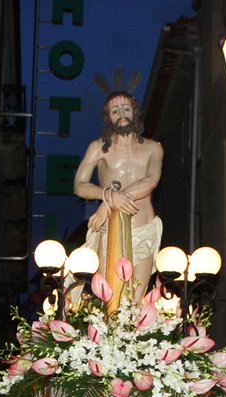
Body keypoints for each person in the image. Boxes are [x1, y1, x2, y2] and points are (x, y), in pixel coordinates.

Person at [74, 81, 163, 305]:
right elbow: (80, 185)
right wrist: (110, 197)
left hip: (143, 228)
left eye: (126, 108)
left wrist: (110, 202)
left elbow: (151, 180)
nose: (121, 114)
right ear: (108, 117)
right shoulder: (98, 148)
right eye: (115, 111)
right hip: (109, 229)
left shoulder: (153, 148)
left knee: (135, 300)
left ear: (134, 112)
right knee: (110, 296)